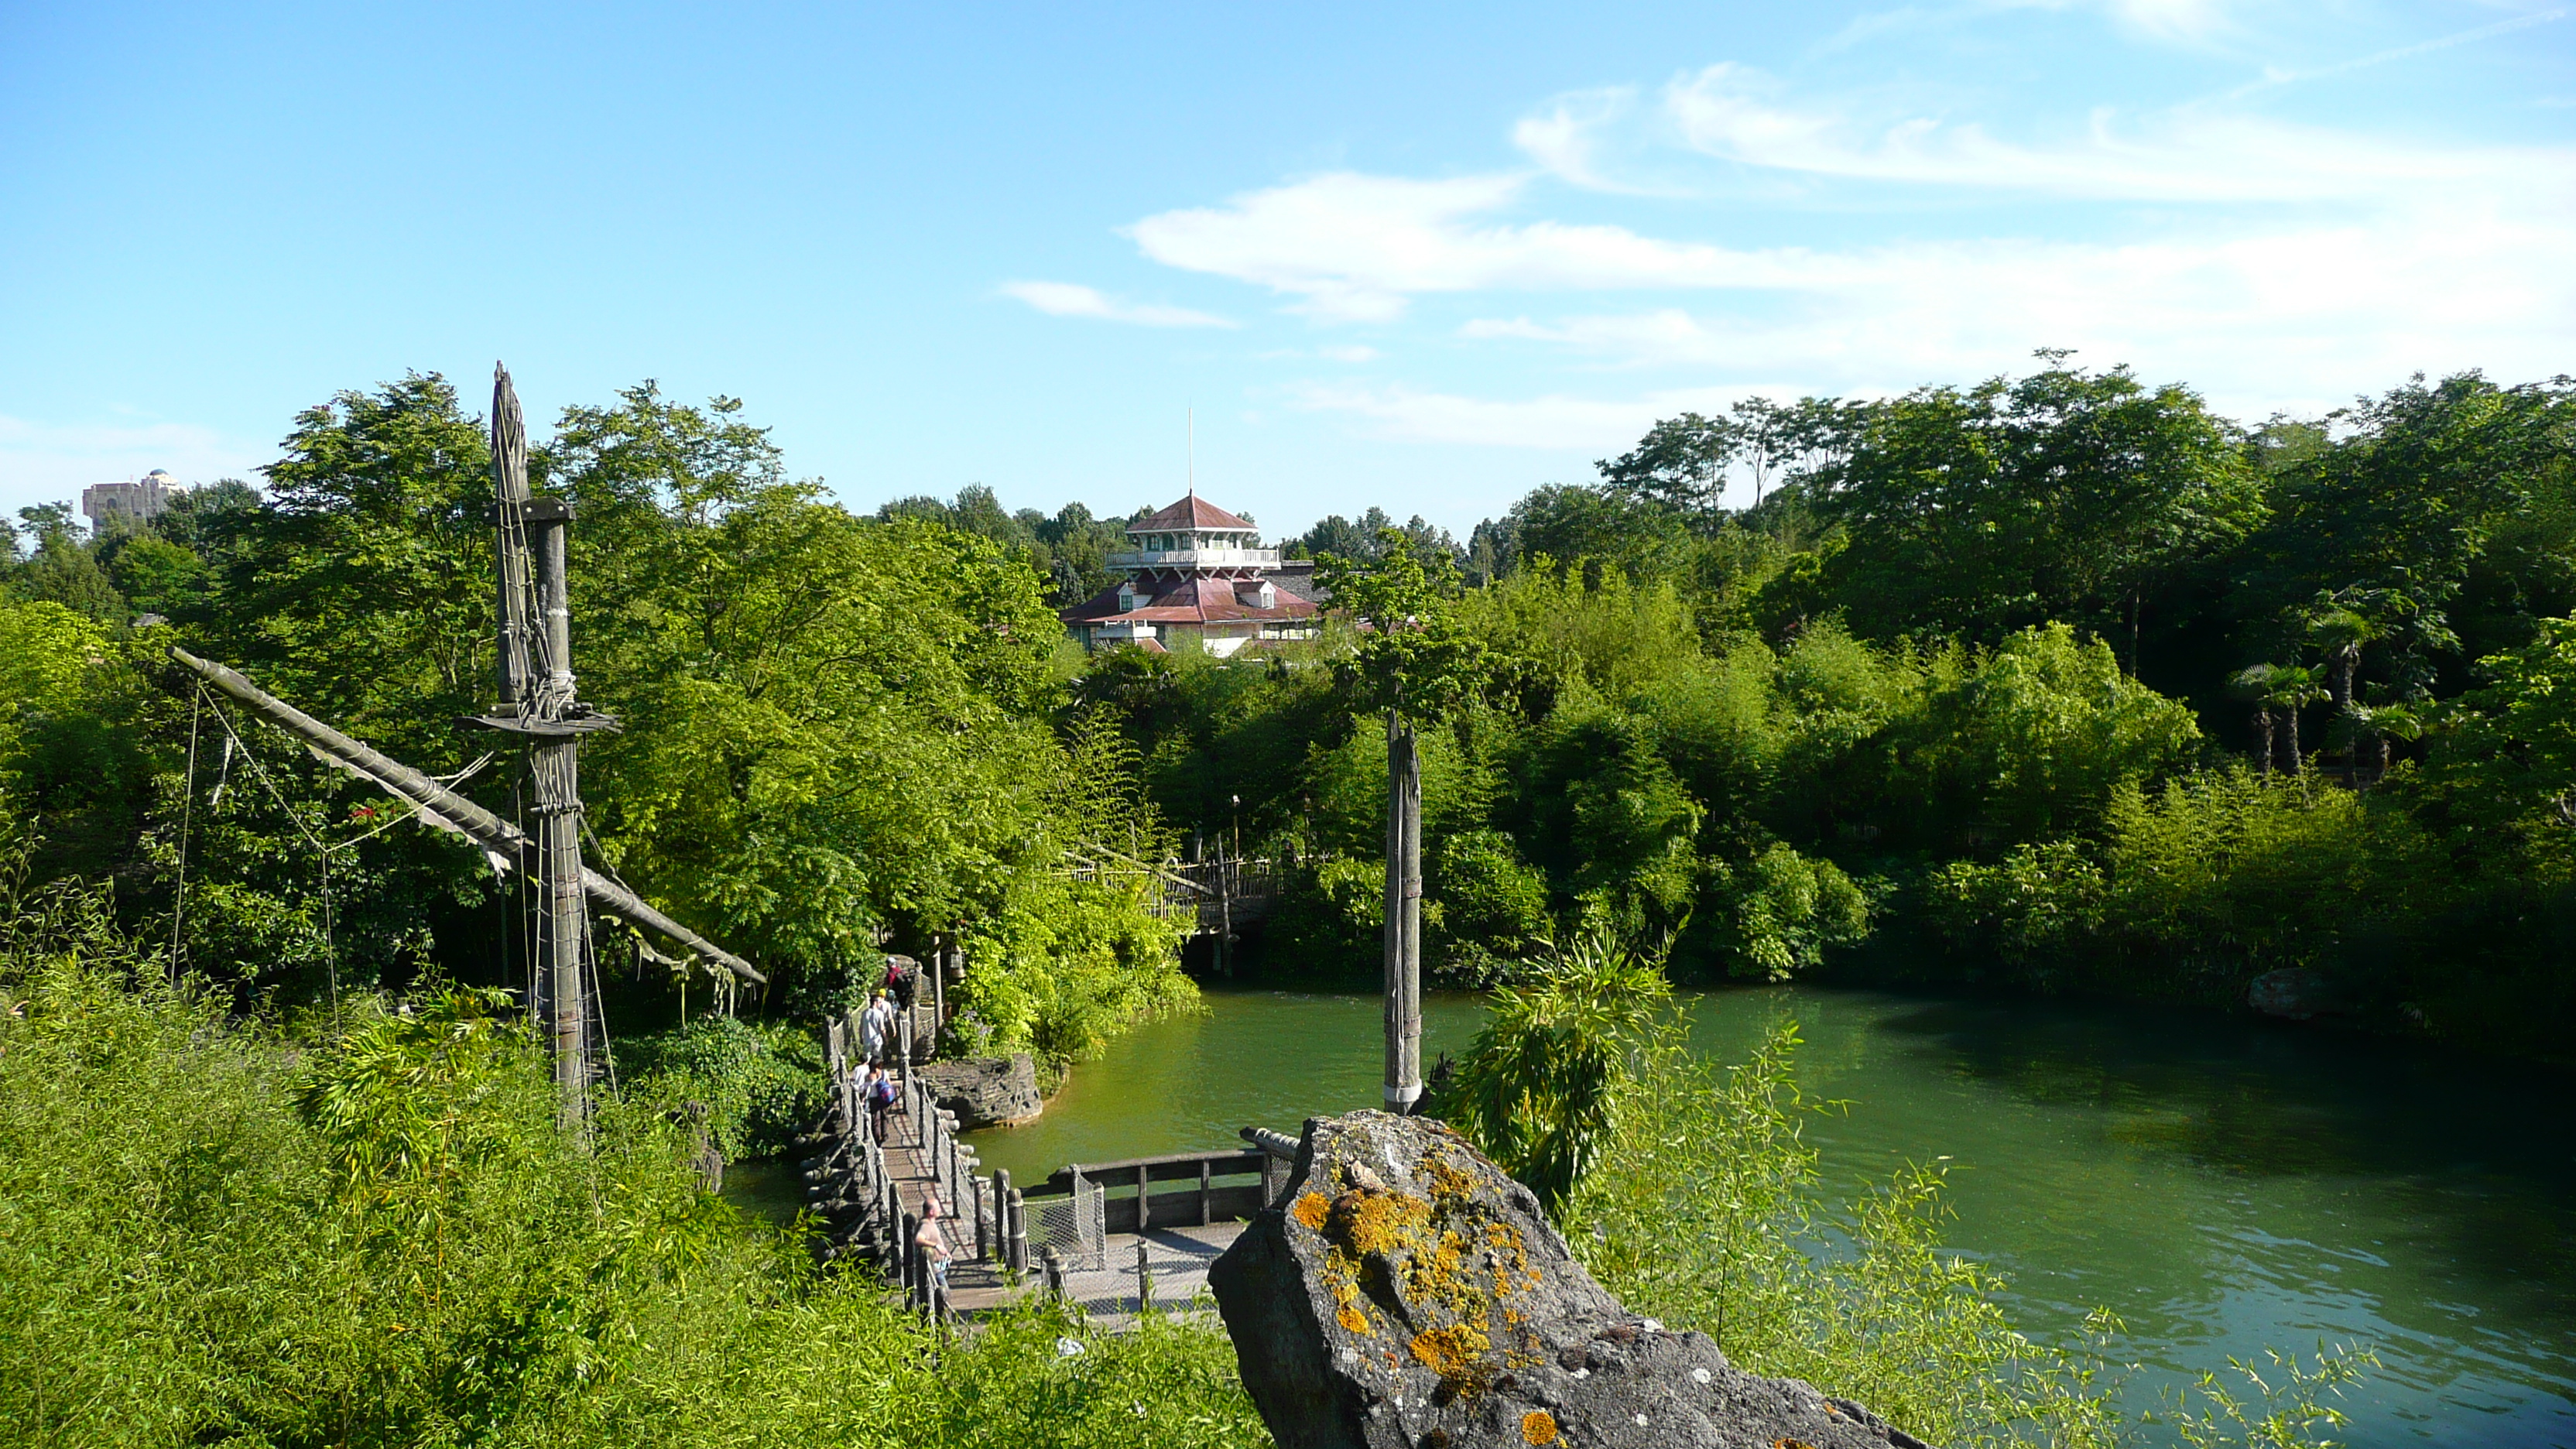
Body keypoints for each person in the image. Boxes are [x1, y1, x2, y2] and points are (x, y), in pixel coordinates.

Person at [915, 1193, 954, 1291]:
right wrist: (936, 1246)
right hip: (934, 1270)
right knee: (944, 1293)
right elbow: (918, 1239)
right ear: (931, 1212)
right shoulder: (926, 1225)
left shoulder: (931, 1223)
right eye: (938, 1208)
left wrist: (945, 1254)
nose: (940, 1209)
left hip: (938, 1266)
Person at [867, 1061, 899, 1146]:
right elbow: (889, 1085)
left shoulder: (869, 1076)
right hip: (884, 1097)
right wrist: (893, 1097)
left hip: (874, 1099)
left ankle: (877, 1140)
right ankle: (884, 1134)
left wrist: (862, 1099)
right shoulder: (885, 1073)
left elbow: (865, 1089)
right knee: (884, 1116)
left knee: (876, 1120)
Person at [859, 990, 891, 1065]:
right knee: (877, 1058)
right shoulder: (880, 1014)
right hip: (877, 1040)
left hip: (867, 1039)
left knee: (867, 1059)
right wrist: (886, 1038)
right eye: (879, 1002)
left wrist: (861, 1037)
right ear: (875, 1002)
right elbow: (882, 1028)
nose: (880, 1004)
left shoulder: (864, 1013)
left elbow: (861, 1027)